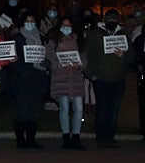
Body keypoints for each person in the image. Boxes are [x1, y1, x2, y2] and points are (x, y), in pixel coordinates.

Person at [84, 9, 136, 148]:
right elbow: (86, 55)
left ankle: (110, 137)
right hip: (101, 79)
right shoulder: (95, 34)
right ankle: (101, 137)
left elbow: (131, 57)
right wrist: (91, 75)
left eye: (115, 20)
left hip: (118, 80)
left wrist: (123, 55)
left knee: (113, 110)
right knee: (102, 109)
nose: (112, 22)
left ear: (118, 21)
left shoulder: (123, 35)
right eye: (110, 20)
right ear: (105, 20)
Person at [10, 12, 49, 149]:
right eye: (27, 20)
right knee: (22, 110)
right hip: (23, 80)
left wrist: (46, 63)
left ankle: (31, 140)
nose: (30, 23)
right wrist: (22, 71)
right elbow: (12, 59)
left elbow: (47, 56)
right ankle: (20, 140)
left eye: (33, 20)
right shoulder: (17, 38)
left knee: (33, 111)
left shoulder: (42, 37)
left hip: (38, 78)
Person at [47, 18, 87, 150]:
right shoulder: (53, 41)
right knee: (64, 108)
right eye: (64, 25)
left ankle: (76, 137)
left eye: (69, 25)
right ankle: (66, 138)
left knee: (79, 109)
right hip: (60, 78)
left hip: (75, 79)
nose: (66, 27)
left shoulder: (79, 40)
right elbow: (50, 59)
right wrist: (61, 65)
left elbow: (84, 59)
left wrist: (78, 65)